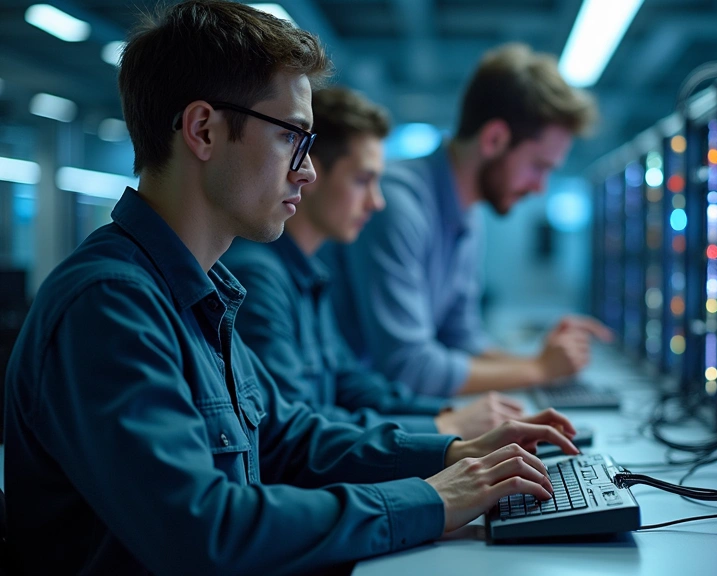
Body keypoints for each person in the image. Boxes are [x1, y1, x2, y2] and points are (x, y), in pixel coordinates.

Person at [3, 3, 576, 573]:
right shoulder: (109, 305)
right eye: (291, 138)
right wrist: (432, 499)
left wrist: (454, 454)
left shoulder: (202, 289)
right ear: (203, 129)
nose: (308, 170)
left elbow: (287, 439)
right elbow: (205, 530)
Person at [222, 86, 567, 439]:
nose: (376, 203)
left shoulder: (309, 274)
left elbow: (351, 385)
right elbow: (290, 439)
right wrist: (443, 428)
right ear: (312, 173)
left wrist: (450, 415)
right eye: (363, 180)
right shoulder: (260, 276)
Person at [324, 43, 613, 398]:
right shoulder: (397, 205)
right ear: (494, 139)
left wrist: (545, 364)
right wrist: (537, 369)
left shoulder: (468, 215)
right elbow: (408, 368)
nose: (540, 189)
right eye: (539, 167)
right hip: (350, 416)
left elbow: (461, 340)